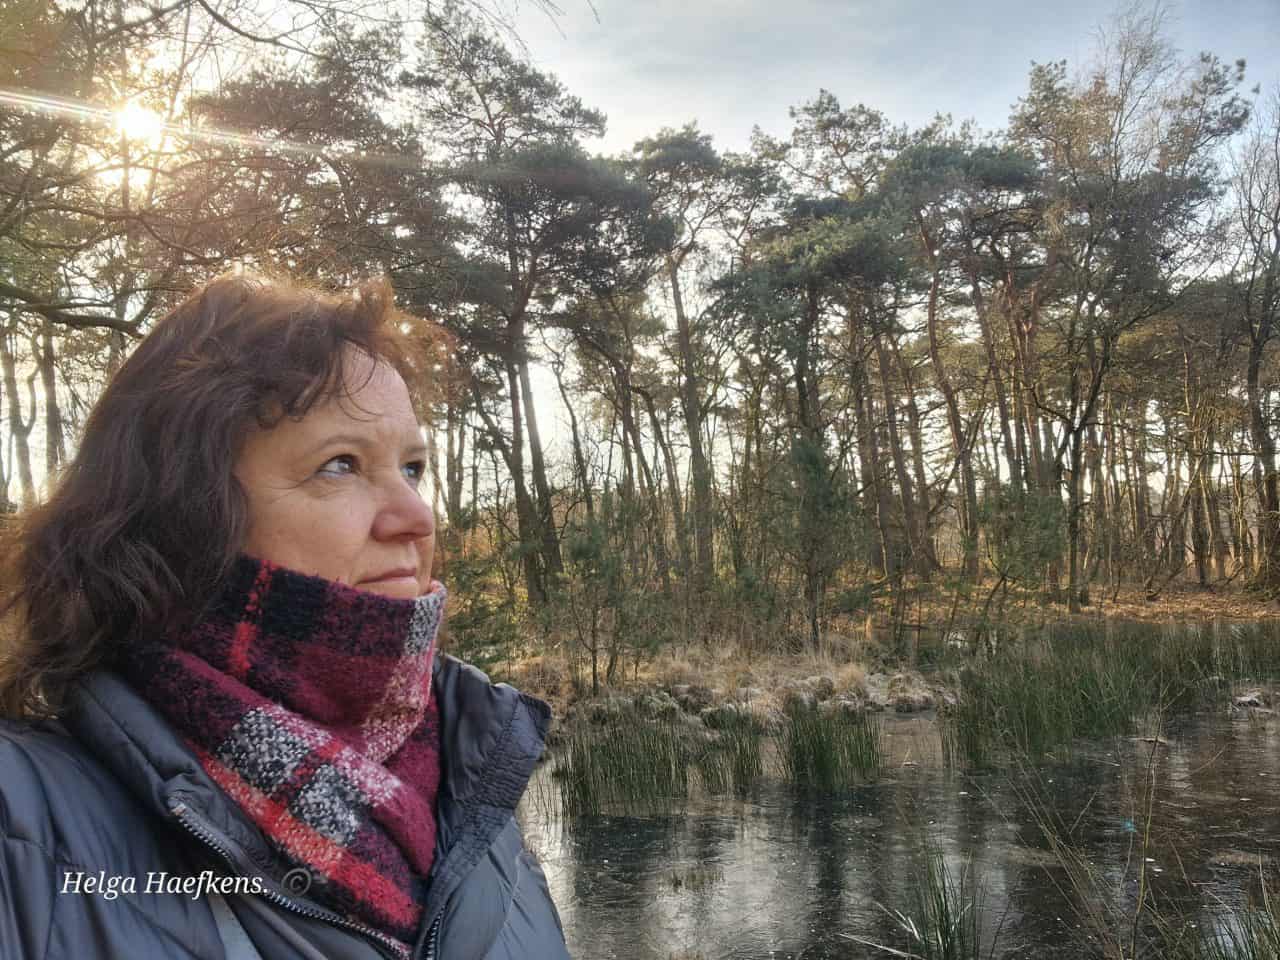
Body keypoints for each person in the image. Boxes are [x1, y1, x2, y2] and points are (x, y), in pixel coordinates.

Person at [0, 273, 571, 959]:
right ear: (185, 514)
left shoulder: (476, 792)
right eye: (340, 465)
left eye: (414, 467)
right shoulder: (21, 823)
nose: (417, 516)